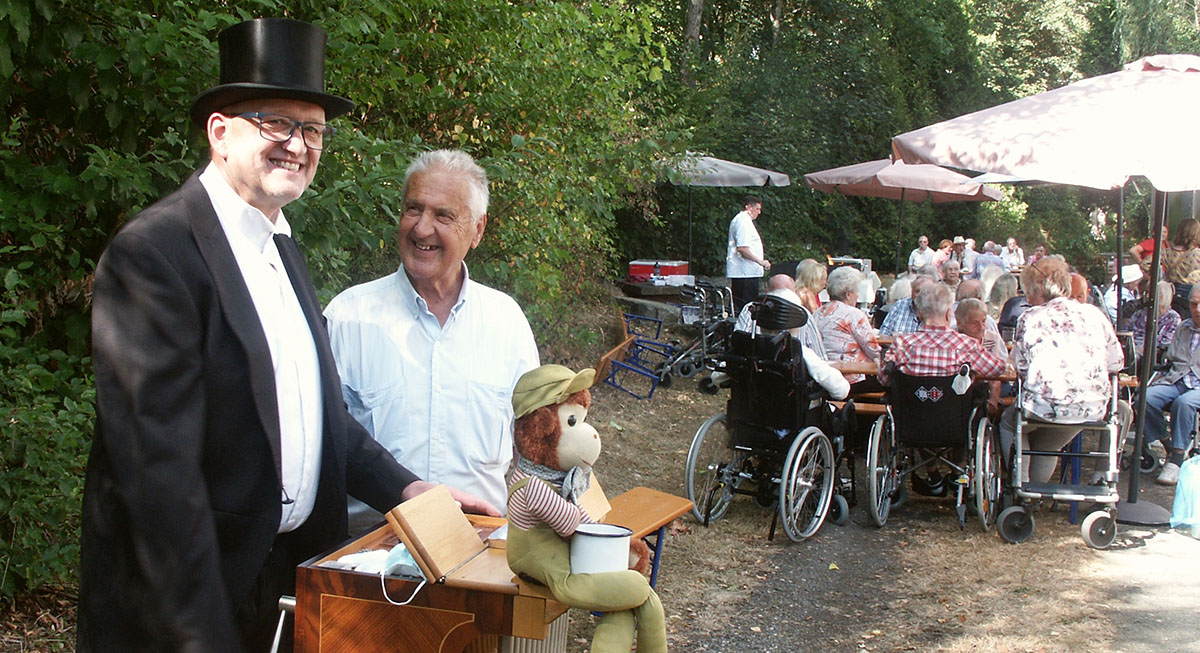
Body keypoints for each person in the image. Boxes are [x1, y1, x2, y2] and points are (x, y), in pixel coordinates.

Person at [78, 19, 488, 651]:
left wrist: (409, 490)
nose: (298, 145)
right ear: (220, 131)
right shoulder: (155, 256)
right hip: (187, 604)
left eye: (313, 129)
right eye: (277, 123)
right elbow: (158, 483)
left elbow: (317, 416)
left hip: (283, 586)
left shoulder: (283, 250)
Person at [325, 150, 539, 529]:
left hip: (480, 555)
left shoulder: (507, 323)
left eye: (443, 215)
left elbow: (535, 448)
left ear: (477, 230)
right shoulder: (348, 318)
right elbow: (319, 443)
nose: (423, 229)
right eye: (413, 209)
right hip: (369, 558)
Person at [999, 258, 1124, 484]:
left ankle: (1022, 486)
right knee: (1050, 441)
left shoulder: (1031, 317)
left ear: (1038, 289)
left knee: (1009, 421)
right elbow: (1116, 363)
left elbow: (1019, 367)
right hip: (1092, 406)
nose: (1026, 297)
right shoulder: (1095, 315)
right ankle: (1034, 490)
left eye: (1028, 291)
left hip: (1044, 405)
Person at [733, 280, 849, 399]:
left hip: (749, 411)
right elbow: (841, 390)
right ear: (796, 322)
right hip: (791, 414)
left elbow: (717, 377)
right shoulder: (801, 353)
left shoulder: (748, 350)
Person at [1142, 284, 1200, 485]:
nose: (1198, 309)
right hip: (1178, 379)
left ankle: (1175, 460)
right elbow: (1173, 358)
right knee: (1145, 399)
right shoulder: (1184, 327)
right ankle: (1171, 447)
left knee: (1183, 403)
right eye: (1194, 304)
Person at [815, 266, 881, 393]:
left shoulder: (817, 314)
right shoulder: (853, 315)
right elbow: (873, 350)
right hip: (850, 379)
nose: (858, 296)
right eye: (857, 292)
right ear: (848, 294)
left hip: (824, 378)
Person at [726, 194, 769, 311]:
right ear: (749, 207)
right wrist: (761, 262)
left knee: (743, 308)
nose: (759, 212)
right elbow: (743, 248)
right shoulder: (743, 221)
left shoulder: (743, 220)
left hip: (746, 272)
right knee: (747, 309)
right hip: (745, 273)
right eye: (757, 209)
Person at [1121, 280, 1181, 356]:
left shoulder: (1173, 318)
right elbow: (1126, 331)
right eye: (1147, 292)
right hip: (1131, 349)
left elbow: (1165, 345)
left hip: (1150, 355)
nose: (1147, 296)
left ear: (1163, 295)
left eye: (1151, 293)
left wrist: (1141, 350)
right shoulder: (1140, 313)